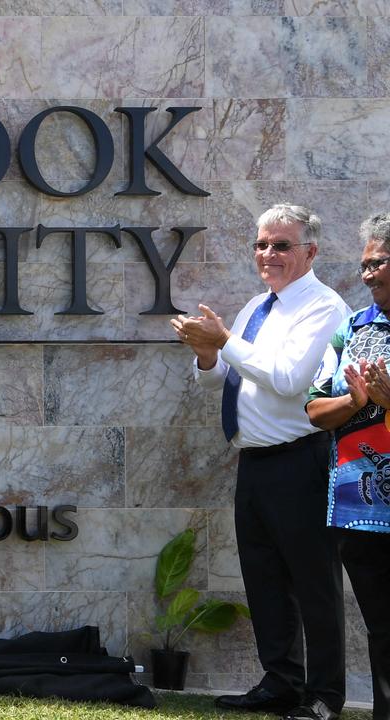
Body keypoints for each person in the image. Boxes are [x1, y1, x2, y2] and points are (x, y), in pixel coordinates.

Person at [171, 204, 349, 720]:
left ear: (310, 252)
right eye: (261, 244)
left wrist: (226, 341)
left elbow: (291, 379)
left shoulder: (323, 306)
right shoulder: (256, 306)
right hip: (254, 463)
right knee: (266, 581)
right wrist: (206, 352)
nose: (268, 254)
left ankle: (324, 697)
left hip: (301, 461)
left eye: (281, 245)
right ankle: (281, 682)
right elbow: (215, 379)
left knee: (314, 584)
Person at [306, 213, 390, 720]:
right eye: (363, 265)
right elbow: (316, 409)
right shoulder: (352, 329)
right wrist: (358, 401)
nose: (367, 274)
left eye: (377, 262)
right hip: (363, 510)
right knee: (382, 630)